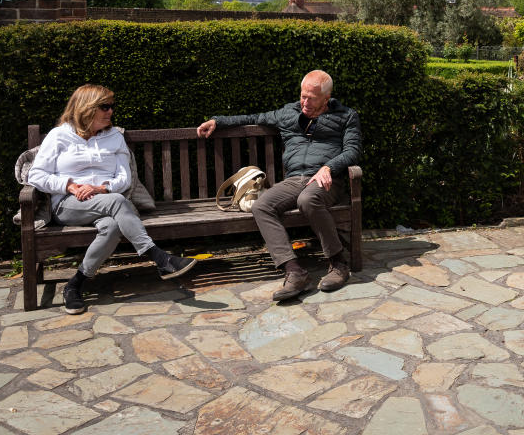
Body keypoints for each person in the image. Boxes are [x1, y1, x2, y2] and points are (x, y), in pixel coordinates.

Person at [28, 85, 196, 315]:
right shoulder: (59, 136)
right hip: (69, 204)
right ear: (86, 108)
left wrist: (100, 188)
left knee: (113, 226)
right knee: (118, 202)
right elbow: (35, 175)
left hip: (106, 201)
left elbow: (124, 179)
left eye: (111, 106)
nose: (110, 111)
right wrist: (69, 185)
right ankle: (160, 258)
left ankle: (74, 285)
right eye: (104, 107)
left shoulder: (115, 136)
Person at [197, 70, 362, 300]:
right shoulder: (288, 113)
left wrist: (329, 167)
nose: (305, 102)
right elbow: (252, 118)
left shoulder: (346, 116)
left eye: (311, 98)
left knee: (308, 200)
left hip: (327, 180)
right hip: (295, 179)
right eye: (303, 96)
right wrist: (218, 121)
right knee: (261, 206)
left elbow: (352, 150)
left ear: (327, 98)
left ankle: (338, 264)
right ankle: (295, 272)